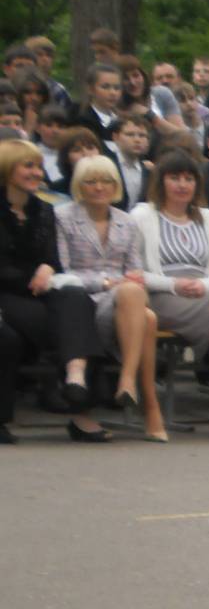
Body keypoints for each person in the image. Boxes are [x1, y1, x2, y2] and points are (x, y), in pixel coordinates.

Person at [130, 150, 209, 437]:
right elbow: (134, 272)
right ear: (161, 182)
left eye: (189, 179)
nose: (182, 185)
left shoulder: (208, 218)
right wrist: (173, 284)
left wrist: (204, 286)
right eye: (174, 178)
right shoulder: (142, 215)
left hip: (202, 291)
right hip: (162, 294)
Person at [0, 139, 109, 441]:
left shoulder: (44, 210)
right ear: (7, 169)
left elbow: (53, 258)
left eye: (38, 166)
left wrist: (48, 267)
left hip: (42, 288)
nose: (37, 172)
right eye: (28, 166)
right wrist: (31, 277)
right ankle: (82, 412)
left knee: (77, 299)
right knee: (71, 325)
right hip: (7, 292)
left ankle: (75, 376)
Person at [53, 155, 168, 440]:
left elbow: (134, 269)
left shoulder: (127, 222)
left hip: (123, 299)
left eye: (106, 181)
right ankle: (143, 397)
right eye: (90, 181)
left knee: (135, 295)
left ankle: (128, 381)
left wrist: (125, 283)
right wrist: (104, 282)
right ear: (79, 185)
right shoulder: (63, 217)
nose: (99, 187)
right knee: (147, 318)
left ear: (116, 185)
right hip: (81, 299)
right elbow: (62, 270)